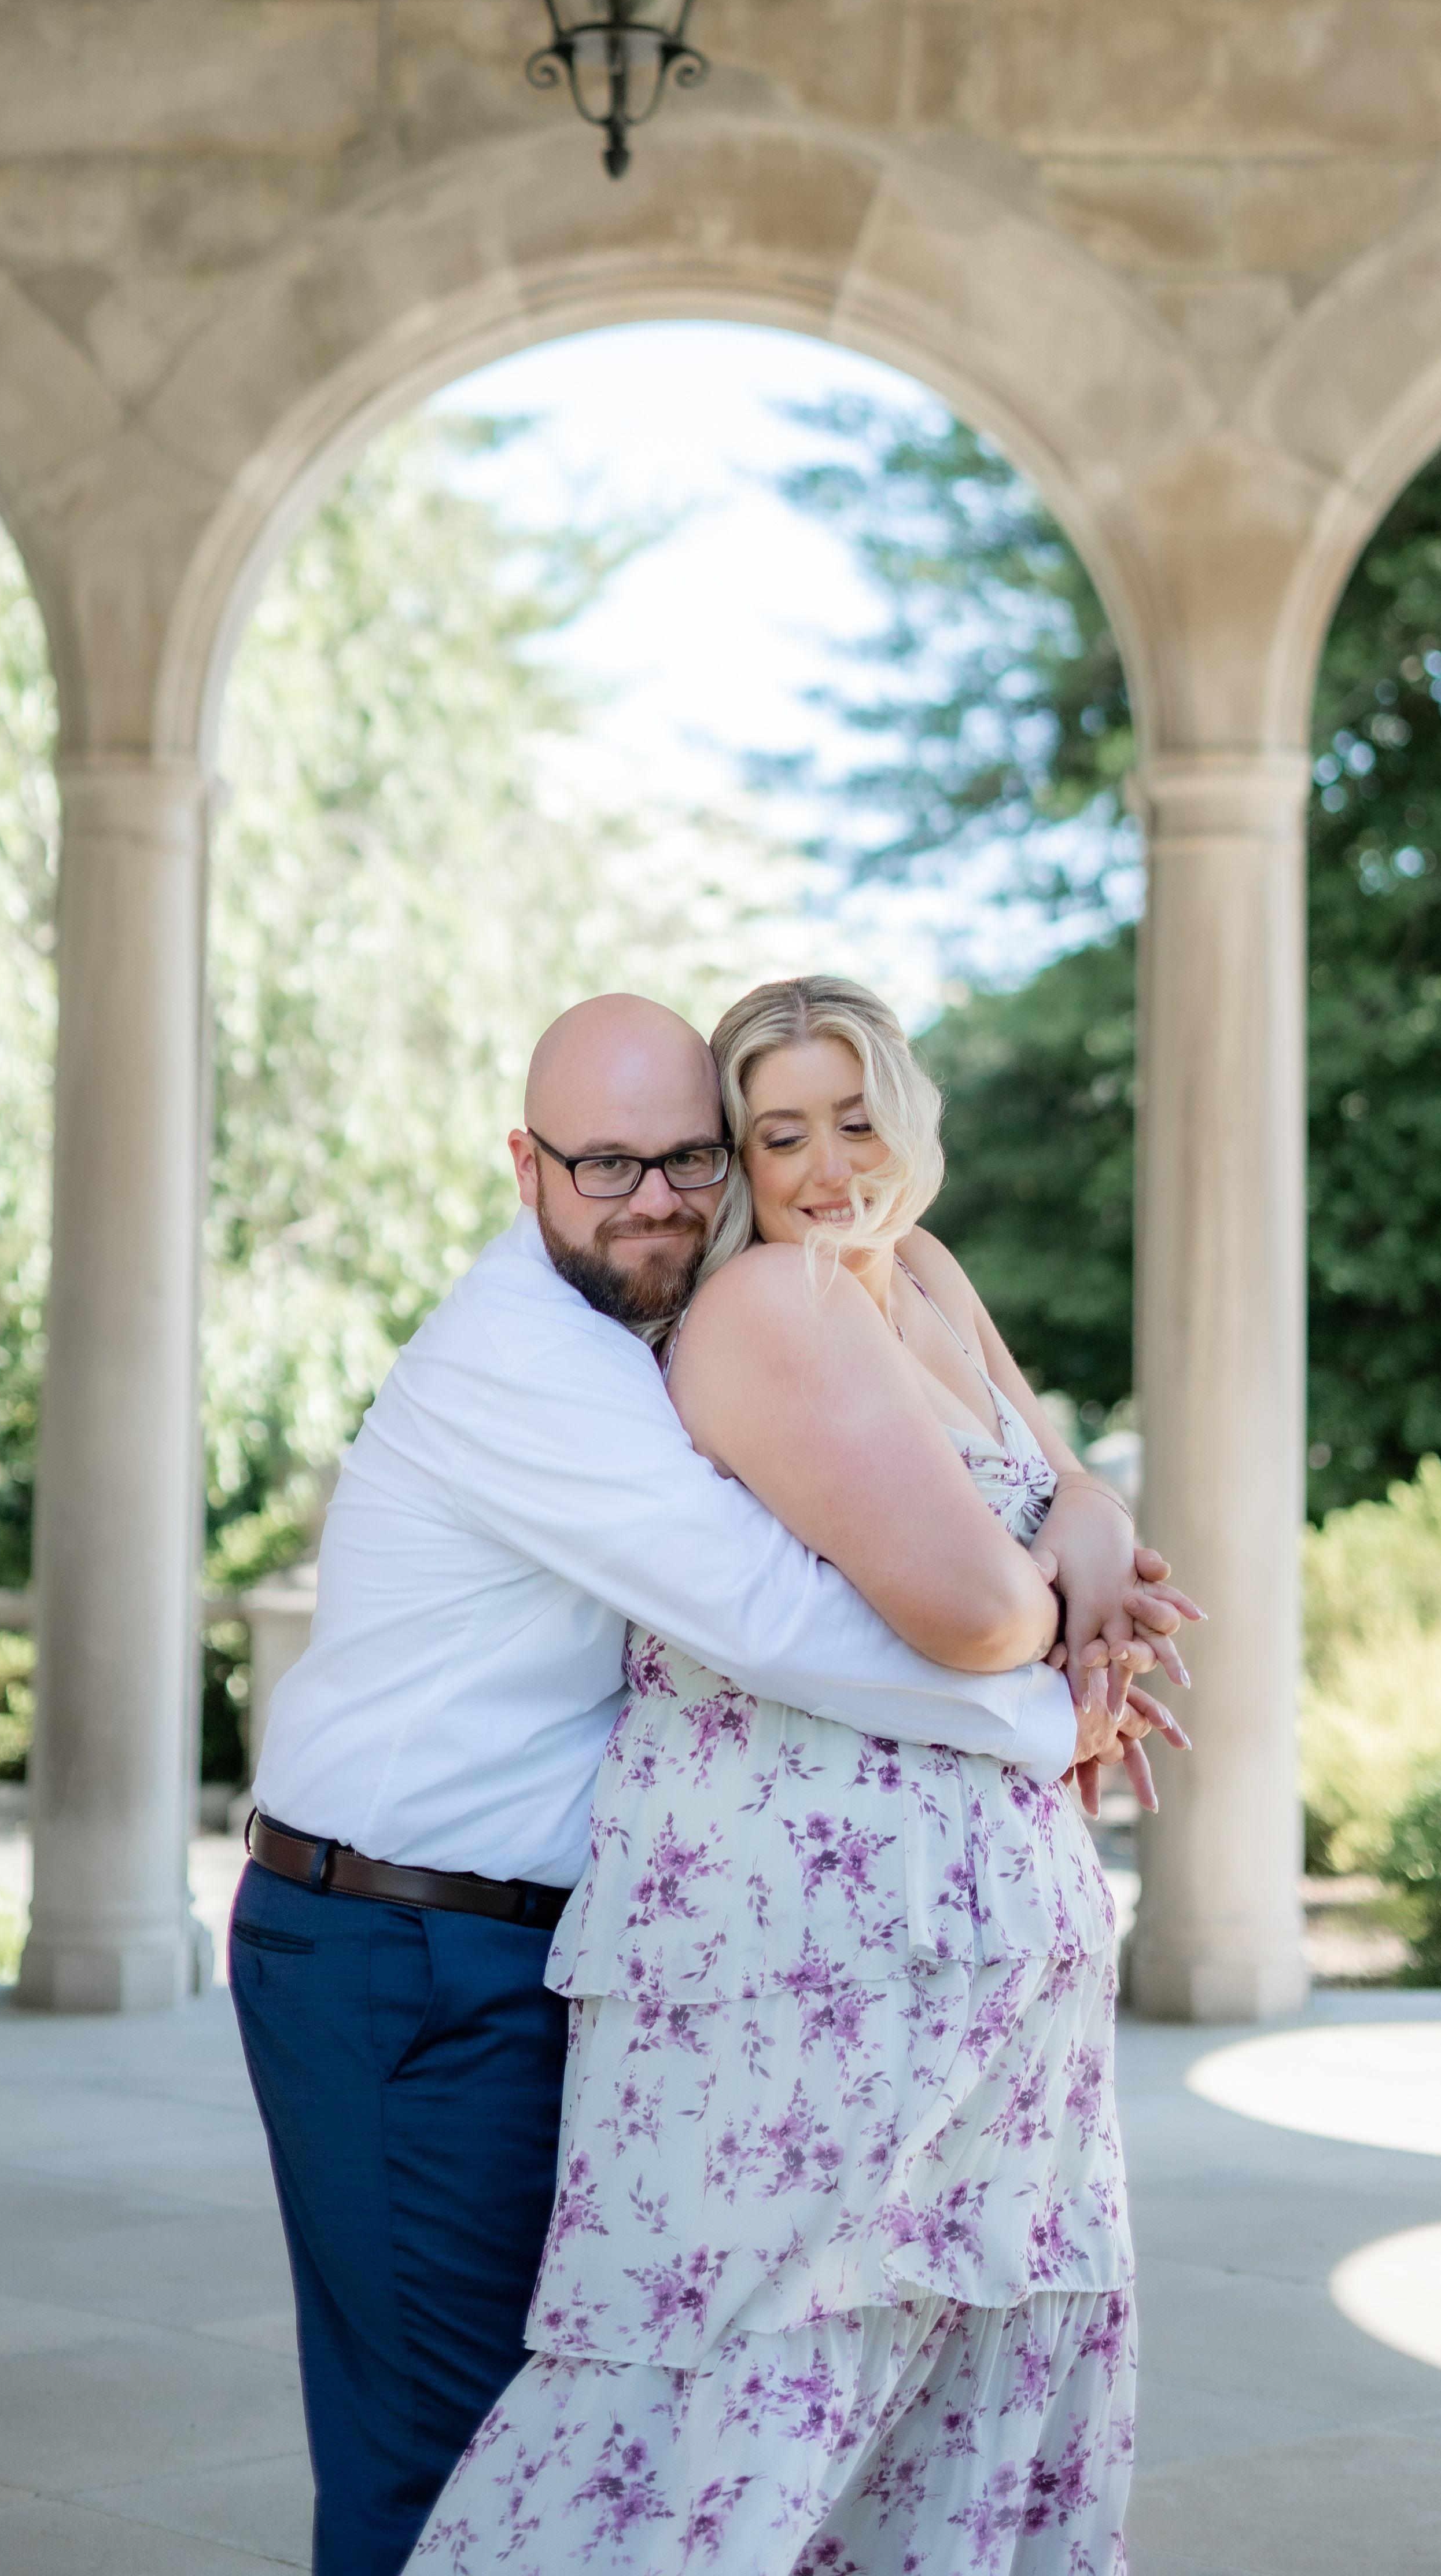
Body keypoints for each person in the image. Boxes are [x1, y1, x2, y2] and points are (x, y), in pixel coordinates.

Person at [233, 994, 1189, 2576]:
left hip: (539, 1938)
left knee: (612, 2418)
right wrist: (1056, 1701)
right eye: (609, 1166)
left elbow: (1003, 1493)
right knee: (454, 2455)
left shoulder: (712, 1309)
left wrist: (1085, 1525)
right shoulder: (530, 1356)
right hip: (398, 1945)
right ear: (527, 1166)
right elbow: (780, 1618)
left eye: (689, 1159)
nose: (659, 1199)